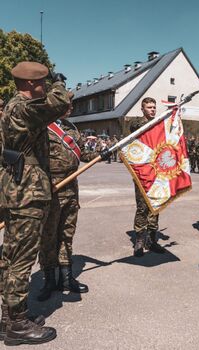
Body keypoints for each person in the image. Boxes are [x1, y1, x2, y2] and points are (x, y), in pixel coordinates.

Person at [0, 62, 70, 345]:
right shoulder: (22, 108)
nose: (45, 87)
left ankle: (8, 317)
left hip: (19, 190)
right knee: (21, 259)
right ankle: (18, 325)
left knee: (10, 257)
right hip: (26, 193)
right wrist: (58, 82)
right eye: (42, 82)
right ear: (30, 85)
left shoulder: (15, 108)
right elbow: (59, 102)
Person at [37, 92, 106, 302]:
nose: (71, 108)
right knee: (48, 236)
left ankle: (66, 278)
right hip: (51, 188)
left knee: (67, 234)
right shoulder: (42, 126)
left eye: (71, 104)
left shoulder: (71, 129)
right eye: (67, 104)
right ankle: (49, 280)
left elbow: (84, 153)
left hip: (71, 188)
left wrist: (103, 154)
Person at [130, 97, 165, 257]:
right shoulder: (137, 124)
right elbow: (139, 131)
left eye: (154, 107)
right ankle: (139, 240)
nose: (152, 110)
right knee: (142, 206)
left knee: (155, 206)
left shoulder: (159, 124)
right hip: (142, 172)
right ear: (142, 109)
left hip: (157, 171)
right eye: (149, 107)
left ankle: (152, 239)